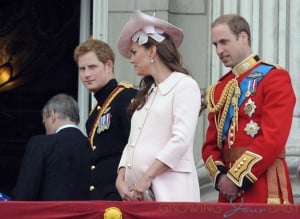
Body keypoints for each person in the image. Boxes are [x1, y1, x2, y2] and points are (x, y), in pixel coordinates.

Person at [202, 14, 296, 204]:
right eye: (215, 45)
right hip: (227, 191)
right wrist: (221, 179)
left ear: (243, 38)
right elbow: (210, 145)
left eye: (224, 42)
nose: (219, 50)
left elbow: (274, 137)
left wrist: (237, 177)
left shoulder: (274, 77)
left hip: (263, 184)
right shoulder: (220, 88)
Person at [115, 10, 201, 202]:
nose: (131, 59)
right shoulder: (148, 92)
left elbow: (180, 140)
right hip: (142, 195)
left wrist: (147, 176)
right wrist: (121, 177)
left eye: (135, 52)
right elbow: (132, 143)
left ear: (152, 51)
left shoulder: (184, 85)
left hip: (172, 193)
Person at [73, 39, 137, 200]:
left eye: (92, 67)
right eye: (82, 69)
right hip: (100, 198)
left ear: (108, 66)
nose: (86, 74)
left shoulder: (125, 97)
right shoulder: (95, 113)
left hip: (120, 196)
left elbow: (137, 146)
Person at [13, 94, 90, 200]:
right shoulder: (92, 145)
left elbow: (25, 193)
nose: (46, 129)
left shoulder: (40, 144)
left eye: (44, 122)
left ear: (53, 114)